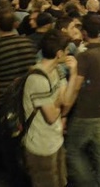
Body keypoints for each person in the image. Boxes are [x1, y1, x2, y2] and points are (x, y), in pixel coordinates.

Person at [0, 7, 36, 185]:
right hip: (27, 98)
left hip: (6, 103)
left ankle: (17, 179)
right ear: (15, 24)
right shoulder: (28, 43)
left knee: (9, 146)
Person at [65, 14, 100, 187]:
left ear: (85, 33)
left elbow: (76, 87)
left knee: (72, 151)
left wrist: (64, 113)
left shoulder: (85, 57)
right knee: (99, 150)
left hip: (86, 112)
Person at [23, 29, 78, 187]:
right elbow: (52, 116)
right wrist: (59, 101)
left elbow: (66, 101)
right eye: (67, 50)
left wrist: (74, 74)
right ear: (59, 53)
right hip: (40, 145)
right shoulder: (37, 79)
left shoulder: (57, 70)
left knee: (61, 181)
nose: (69, 53)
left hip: (55, 139)